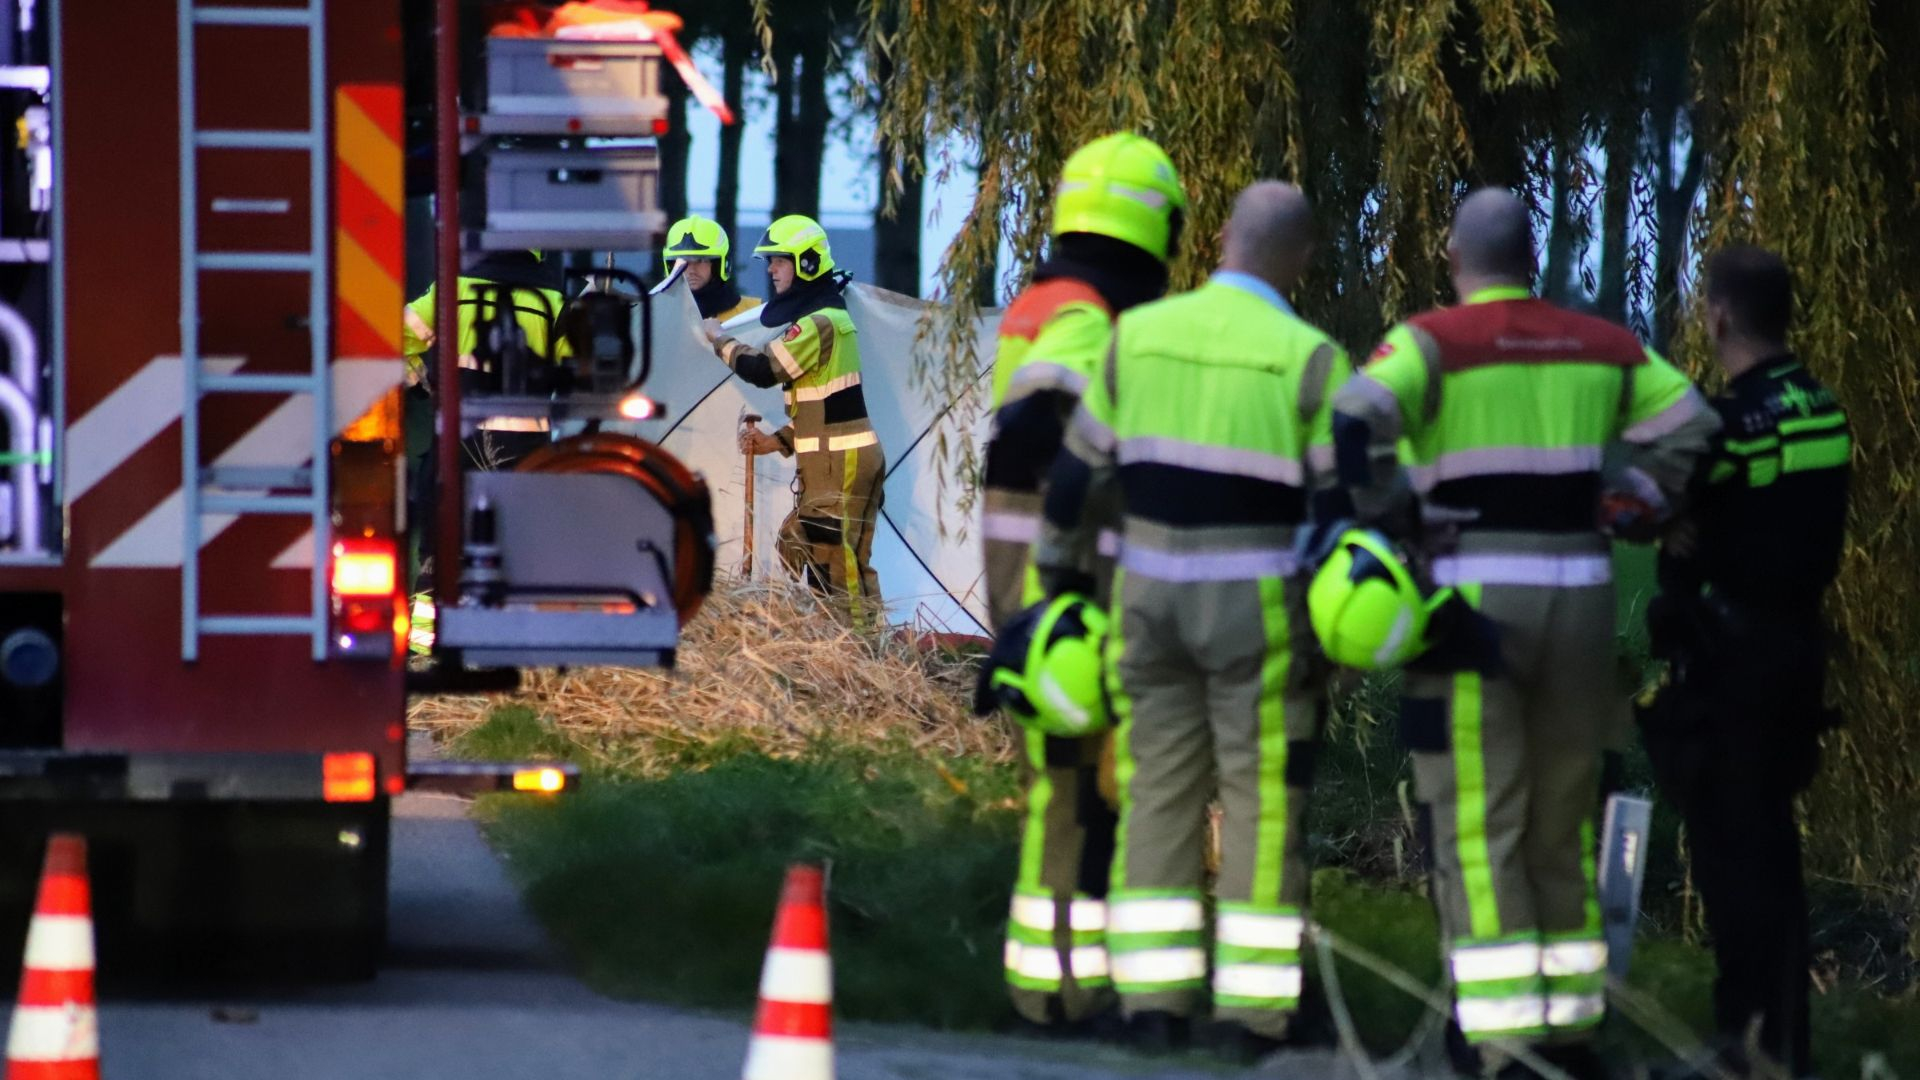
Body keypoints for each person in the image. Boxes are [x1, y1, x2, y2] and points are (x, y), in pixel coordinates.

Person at [1329, 188, 1719, 1077]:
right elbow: (1693, 426)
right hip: (1579, 594)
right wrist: (1641, 503)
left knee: (1480, 819)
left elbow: (1352, 419)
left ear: (1454, 257)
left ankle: (1502, 1042)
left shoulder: (1431, 344)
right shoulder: (1604, 346)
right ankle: (1572, 1030)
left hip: (1473, 599)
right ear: (1531, 257)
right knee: (1560, 818)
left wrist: (1394, 513)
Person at [1035, 182, 1348, 1063]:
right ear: (1304, 258)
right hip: (1257, 613)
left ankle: (1151, 1006)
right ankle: (1252, 1017)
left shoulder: (1138, 337)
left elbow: (1074, 481)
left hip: (1148, 603)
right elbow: (1348, 509)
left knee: (1157, 794)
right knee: (1259, 805)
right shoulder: (1312, 358)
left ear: (1218, 239)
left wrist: (1056, 586)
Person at [984, 132, 1185, 1033]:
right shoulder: (1088, 312)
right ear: (1156, 226)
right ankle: (1065, 995)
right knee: (1082, 792)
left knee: (1067, 789)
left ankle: (1056, 987)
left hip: (1031, 582)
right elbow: (1033, 426)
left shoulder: (1044, 296)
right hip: (1064, 588)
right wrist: (1061, 584)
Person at [1639, 246, 1849, 1076]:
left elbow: (1653, 509)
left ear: (1718, 315)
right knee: (1775, 849)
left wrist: (1670, 529)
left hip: (1729, 660)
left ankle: (1743, 1047)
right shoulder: (1821, 408)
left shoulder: (1725, 426)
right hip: (1798, 655)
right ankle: (1783, 1042)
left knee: (1732, 855)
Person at [701, 215, 884, 623]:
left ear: (806, 264)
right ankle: (838, 637)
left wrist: (720, 340)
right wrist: (776, 442)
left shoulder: (820, 322)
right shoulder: (819, 317)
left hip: (842, 463)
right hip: (830, 460)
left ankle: (862, 651)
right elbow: (823, 409)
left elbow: (765, 370)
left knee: (839, 560)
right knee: (804, 545)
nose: (770, 270)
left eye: (779, 261)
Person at [401, 248, 565, 470]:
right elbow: (577, 371)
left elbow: (397, 336)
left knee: (444, 501)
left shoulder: (453, 290)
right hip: (524, 447)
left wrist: (420, 380)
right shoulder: (554, 302)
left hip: (459, 435)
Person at [664, 214, 761, 322]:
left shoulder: (754, 313)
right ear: (671, 265)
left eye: (700, 260)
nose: (691, 270)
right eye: (684, 261)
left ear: (717, 265)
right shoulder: (655, 316)